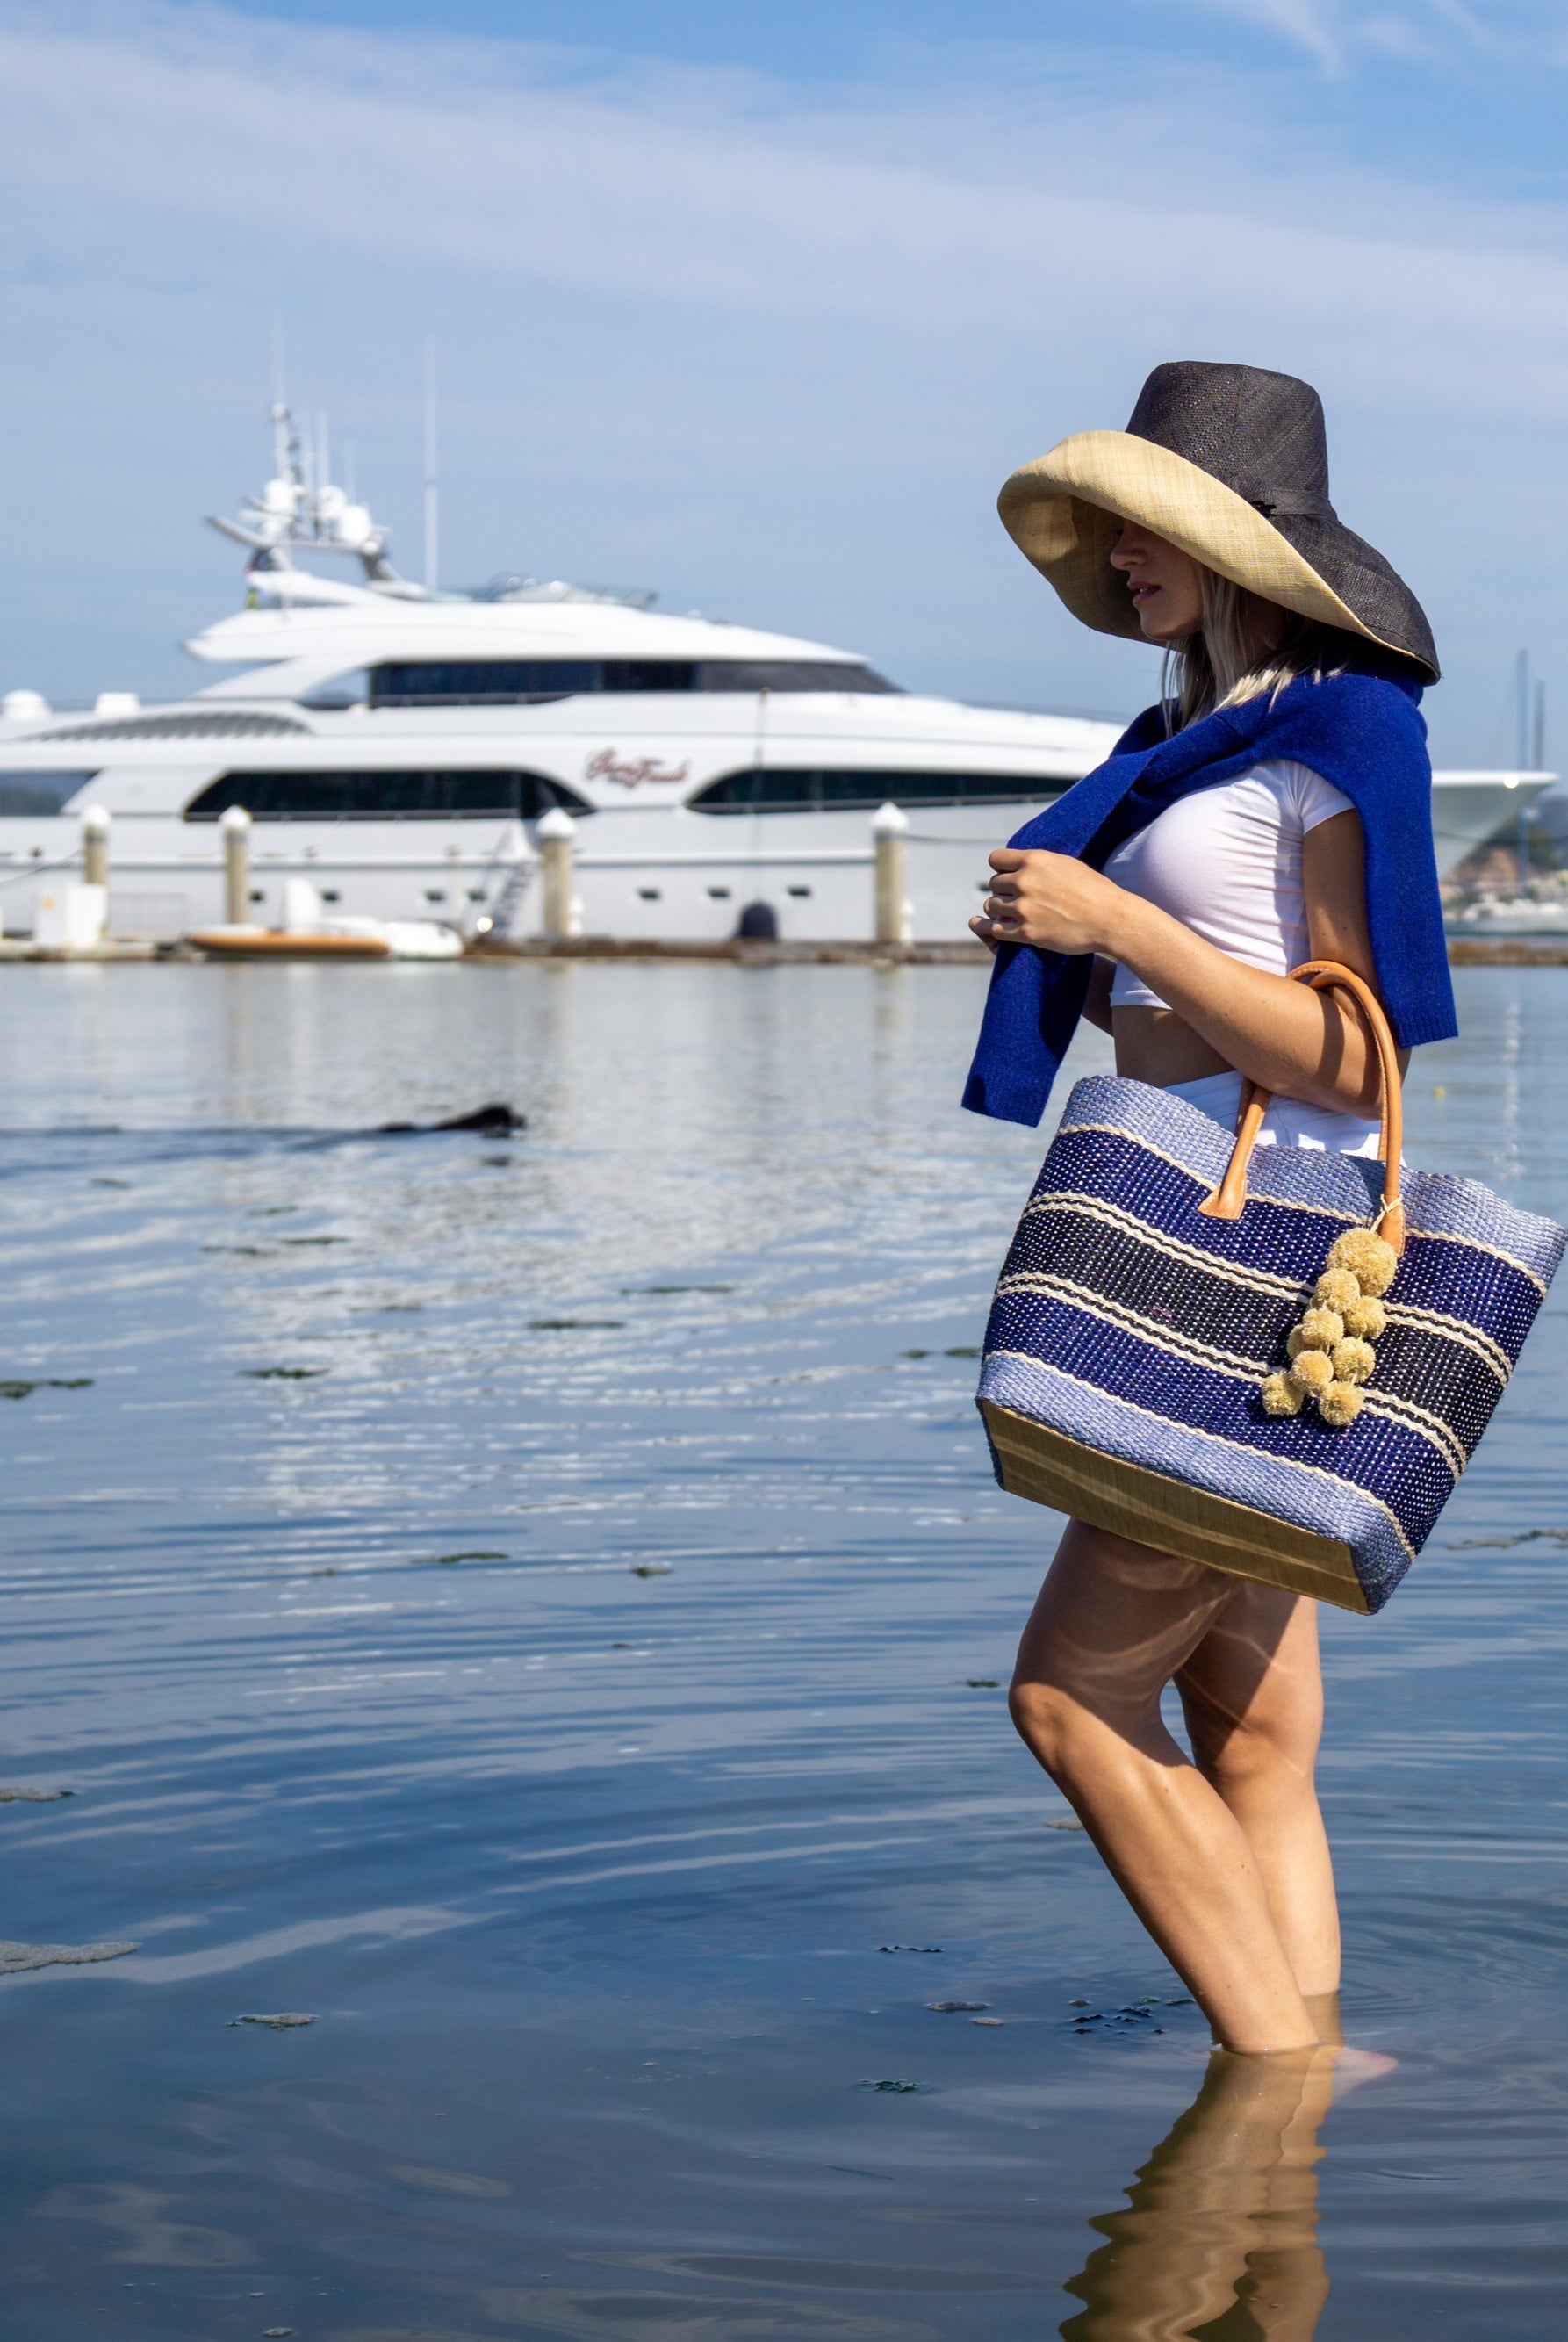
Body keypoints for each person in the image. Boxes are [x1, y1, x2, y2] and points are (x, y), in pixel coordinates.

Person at [966, 362, 1455, 2056]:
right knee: (1247, 1736)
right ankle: (1298, 2130)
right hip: (1210, 1231)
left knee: (1069, 1696)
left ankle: (1280, 2085)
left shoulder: (1344, 727)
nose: (1114, 555)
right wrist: (1072, 942)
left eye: (1144, 525)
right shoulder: (1180, 746)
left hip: (1250, 1264)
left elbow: (1351, 1048)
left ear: (1240, 546)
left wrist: (1115, 923)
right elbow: (1193, 1000)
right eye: (1108, 528)